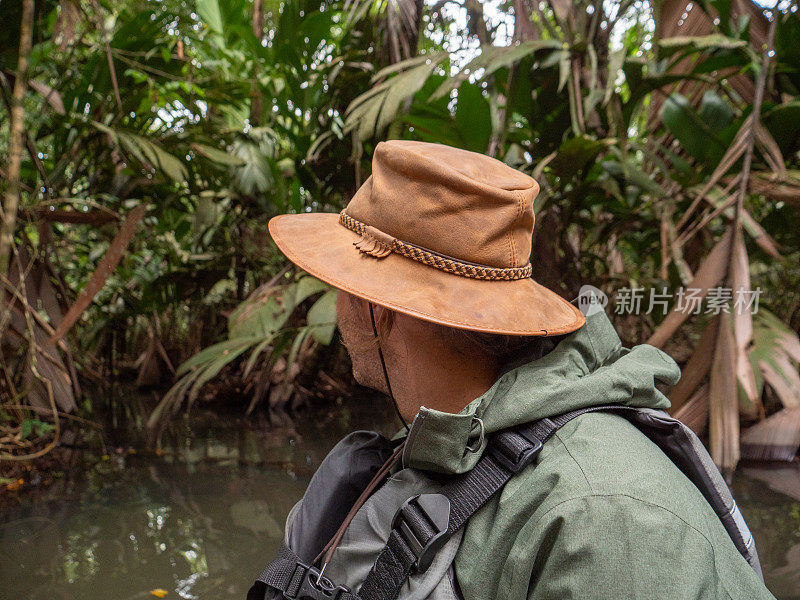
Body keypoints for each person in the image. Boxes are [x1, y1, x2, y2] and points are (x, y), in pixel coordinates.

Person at [250, 140, 775, 600]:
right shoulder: (452, 437)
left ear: (378, 310)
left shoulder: (604, 515)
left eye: (346, 281)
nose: (337, 300)